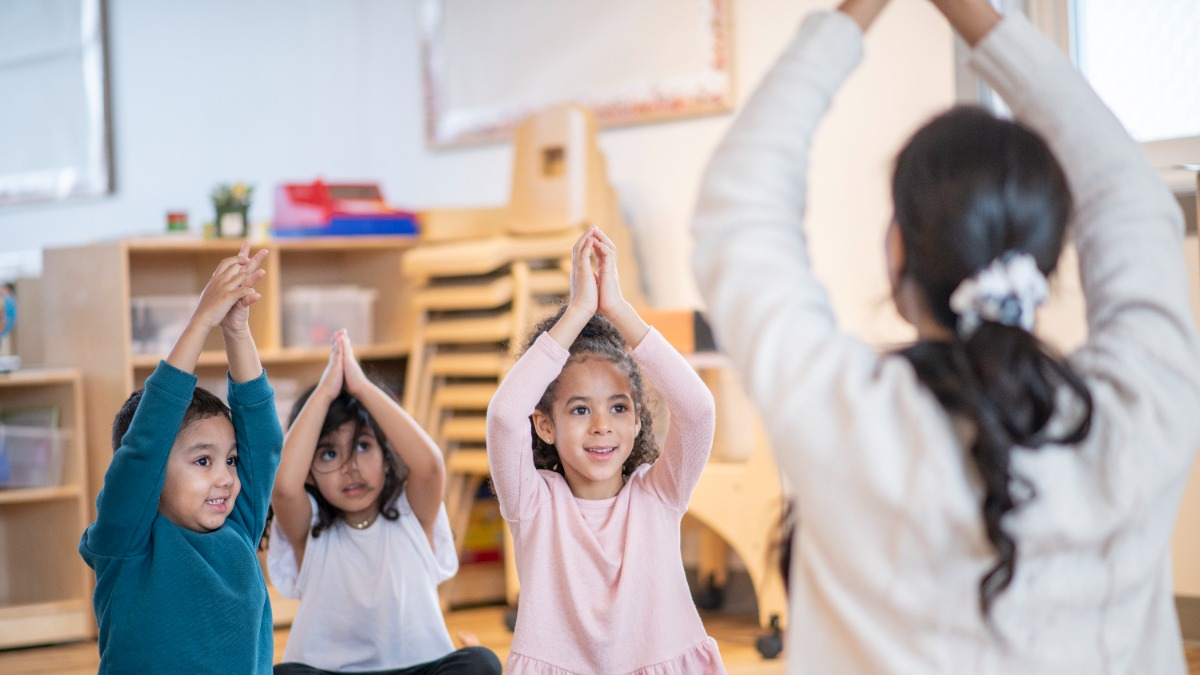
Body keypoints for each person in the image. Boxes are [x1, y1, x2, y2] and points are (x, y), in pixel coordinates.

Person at [690, 0, 1200, 671]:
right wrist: (976, 14)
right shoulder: (1140, 409)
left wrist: (853, 14)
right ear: (1045, 262)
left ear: (896, 251)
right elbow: (1131, 197)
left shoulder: (843, 415)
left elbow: (739, 202)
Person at [486, 226, 726, 674]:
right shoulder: (533, 502)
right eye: (579, 410)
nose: (601, 426)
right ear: (545, 425)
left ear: (637, 420)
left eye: (618, 408)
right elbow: (503, 418)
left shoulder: (659, 493)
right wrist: (577, 312)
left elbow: (698, 410)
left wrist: (618, 309)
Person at [79, 242, 284, 673]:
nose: (227, 477)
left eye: (229, 461)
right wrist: (201, 320)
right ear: (154, 479)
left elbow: (262, 442)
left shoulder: (239, 527)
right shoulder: (127, 543)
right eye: (203, 461)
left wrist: (236, 331)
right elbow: (144, 450)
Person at [268, 329, 501, 675]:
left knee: (481, 663)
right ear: (309, 473)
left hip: (419, 668)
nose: (351, 469)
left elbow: (430, 464)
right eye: (329, 454)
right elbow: (284, 487)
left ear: (386, 453)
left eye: (363, 446)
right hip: (331, 671)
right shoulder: (309, 528)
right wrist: (325, 391)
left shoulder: (413, 513)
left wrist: (361, 387)